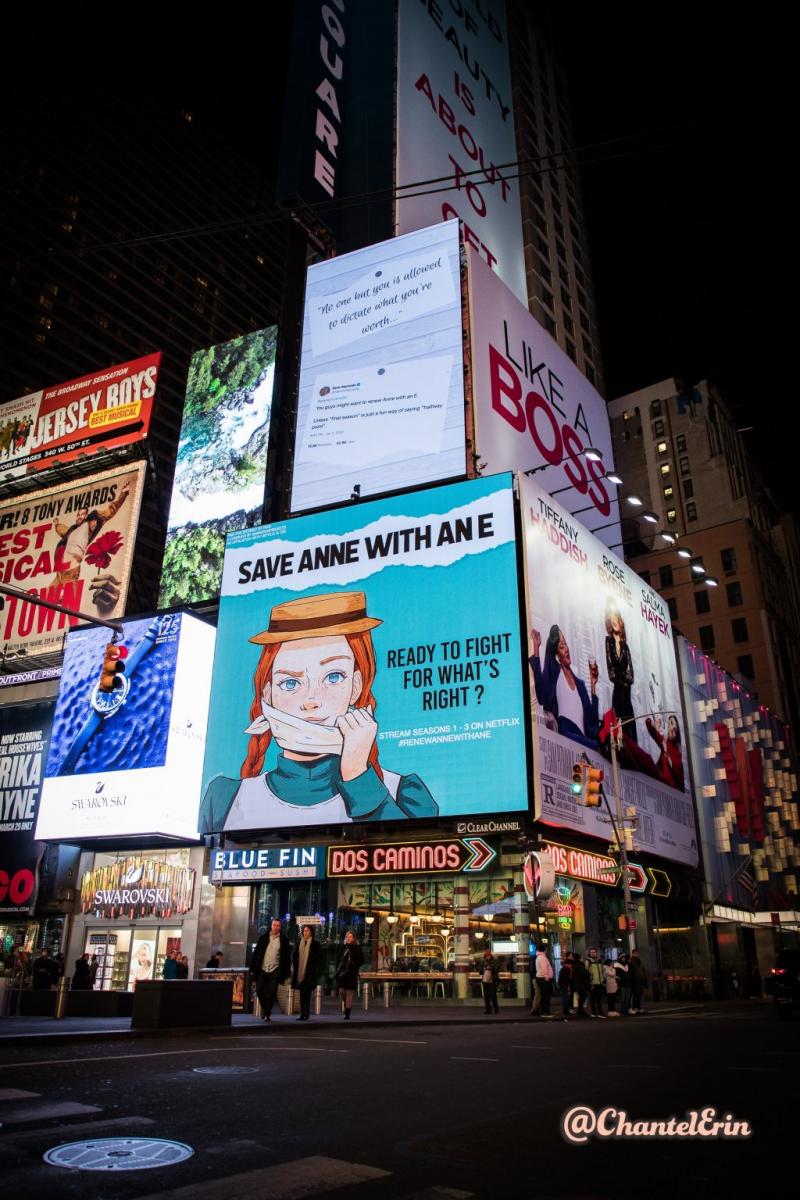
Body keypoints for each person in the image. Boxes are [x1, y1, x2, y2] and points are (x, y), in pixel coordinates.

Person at [199, 592, 439, 833]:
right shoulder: (223, 800)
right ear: (268, 694)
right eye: (290, 683)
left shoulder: (404, 793)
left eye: (334, 677)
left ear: (355, 687)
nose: (312, 701)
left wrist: (357, 774)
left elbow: (406, 857)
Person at [530, 626, 600, 749]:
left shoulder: (580, 685)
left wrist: (593, 684)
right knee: (598, 747)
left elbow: (593, 722)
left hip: (584, 740)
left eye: (566, 644)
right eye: (561, 646)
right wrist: (536, 648)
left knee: (599, 747)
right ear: (557, 655)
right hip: (566, 735)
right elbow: (542, 696)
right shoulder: (556, 675)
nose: (566, 649)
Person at [51, 481, 131, 587]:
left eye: (82, 514)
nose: (79, 516)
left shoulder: (90, 523)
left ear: (86, 516)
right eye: (78, 515)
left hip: (71, 568)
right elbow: (63, 530)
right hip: (60, 571)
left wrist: (122, 495)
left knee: (67, 598)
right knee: (45, 597)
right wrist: (57, 524)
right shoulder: (72, 530)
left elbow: (110, 511)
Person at [605, 602, 636, 742]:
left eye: (616, 618)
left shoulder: (626, 647)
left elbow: (632, 677)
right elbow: (611, 671)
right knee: (618, 728)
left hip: (627, 695)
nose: (614, 622)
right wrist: (623, 679)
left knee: (630, 729)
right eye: (611, 620)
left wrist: (622, 676)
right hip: (618, 693)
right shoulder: (608, 642)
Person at [250, 918, 291, 1022]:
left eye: (278, 925)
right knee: (259, 990)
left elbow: (286, 958)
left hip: (275, 969)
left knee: (272, 992)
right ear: (271, 926)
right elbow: (256, 954)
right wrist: (252, 968)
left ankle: (267, 1013)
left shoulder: (284, 940)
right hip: (263, 968)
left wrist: (287, 973)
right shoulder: (263, 938)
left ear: (280, 927)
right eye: (274, 925)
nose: (276, 927)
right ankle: (266, 1009)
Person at [292, 925, 322, 1021]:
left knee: (307, 993)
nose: (305, 933)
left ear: (311, 932)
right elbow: (294, 957)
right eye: (304, 931)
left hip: (309, 973)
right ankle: (302, 1013)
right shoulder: (298, 943)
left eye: (308, 931)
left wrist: (314, 967)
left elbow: (319, 958)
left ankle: (306, 1013)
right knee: (302, 994)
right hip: (300, 972)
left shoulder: (315, 944)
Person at [335, 930, 364, 1020]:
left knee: (349, 993)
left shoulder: (357, 948)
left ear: (354, 938)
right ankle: (347, 1006)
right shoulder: (343, 947)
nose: (349, 938)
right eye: (347, 937)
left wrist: (354, 965)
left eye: (350, 937)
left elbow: (361, 960)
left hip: (351, 974)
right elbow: (338, 959)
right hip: (342, 974)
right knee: (342, 992)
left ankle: (347, 1013)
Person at [531, 944, 554, 1017]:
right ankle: (545, 1012)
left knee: (543, 995)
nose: (547, 950)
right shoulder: (542, 958)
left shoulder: (539, 957)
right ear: (544, 949)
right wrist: (547, 977)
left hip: (541, 978)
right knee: (545, 996)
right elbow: (544, 969)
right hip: (543, 979)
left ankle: (543, 1011)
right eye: (546, 949)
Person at [480, 949, 500, 1015]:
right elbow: (480, 971)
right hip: (485, 980)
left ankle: (495, 1008)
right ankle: (488, 1009)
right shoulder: (483, 961)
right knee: (486, 995)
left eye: (488, 955)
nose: (487, 957)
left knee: (493, 994)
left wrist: (490, 968)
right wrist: (484, 968)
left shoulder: (494, 961)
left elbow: (497, 968)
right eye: (486, 955)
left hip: (492, 979)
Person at [587, 948, 606, 1017]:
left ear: (596, 953)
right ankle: (594, 1013)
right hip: (593, 983)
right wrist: (590, 982)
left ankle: (600, 1013)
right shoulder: (588, 961)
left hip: (599, 983)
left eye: (594, 952)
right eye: (591, 952)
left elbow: (602, 971)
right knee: (593, 999)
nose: (593, 953)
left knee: (599, 999)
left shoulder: (599, 960)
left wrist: (603, 980)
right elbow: (587, 972)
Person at [557, 951, 574, 1018]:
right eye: (571, 956)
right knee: (566, 997)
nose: (572, 957)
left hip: (565, 984)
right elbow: (565, 977)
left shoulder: (566, 966)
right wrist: (566, 986)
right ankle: (566, 1010)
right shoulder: (566, 967)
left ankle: (567, 1010)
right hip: (565, 984)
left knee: (567, 997)